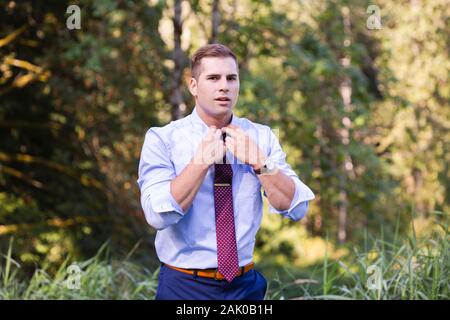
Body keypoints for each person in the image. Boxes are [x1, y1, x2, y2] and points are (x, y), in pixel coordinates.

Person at [137, 43, 315, 300]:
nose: (224, 86)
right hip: (184, 286)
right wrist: (200, 162)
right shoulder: (162, 139)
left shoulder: (260, 138)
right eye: (213, 78)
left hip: (245, 287)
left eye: (232, 78)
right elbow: (157, 215)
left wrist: (259, 162)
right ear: (193, 86)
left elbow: (297, 208)